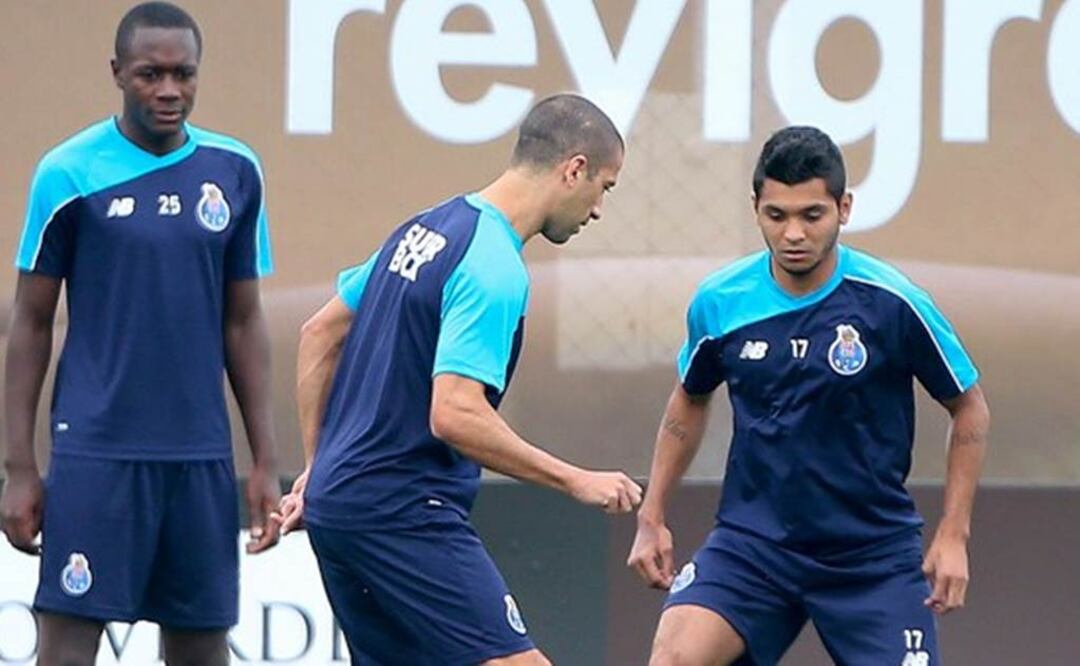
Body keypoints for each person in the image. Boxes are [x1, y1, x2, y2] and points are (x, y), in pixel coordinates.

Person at [271, 93, 642, 665]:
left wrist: (320, 471)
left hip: (341, 510)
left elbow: (319, 334)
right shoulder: (494, 266)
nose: (598, 209)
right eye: (605, 188)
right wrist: (574, 479)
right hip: (405, 511)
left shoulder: (425, 228)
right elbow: (454, 413)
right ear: (575, 169)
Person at [628, 126, 990, 666]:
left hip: (870, 557)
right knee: (674, 657)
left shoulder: (893, 303)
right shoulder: (721, 302)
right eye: (777, 216)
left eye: (811, 215)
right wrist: (651, 514)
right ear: (756, 209)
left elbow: (969, 408)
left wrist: (954, 534)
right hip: (753, 549)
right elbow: (689, 398)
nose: (793, 233)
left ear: (843, 208)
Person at [0, 3, 280, 664]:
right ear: (118, 72)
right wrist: (18, 468)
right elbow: (31, 324)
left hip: (199, 459)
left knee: (200, 651)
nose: (168, 91)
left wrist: (265, 460)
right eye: (150, 74)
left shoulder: (235, 170)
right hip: (97, 455)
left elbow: (242, 320)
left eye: (183, 75)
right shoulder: (66, 173)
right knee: (66, 649)